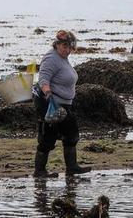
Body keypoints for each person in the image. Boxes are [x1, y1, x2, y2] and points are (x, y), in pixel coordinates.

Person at [33, 30, 91, 177]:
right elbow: (43, 79)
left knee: (71, 134)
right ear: (57, 44)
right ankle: (39, 171)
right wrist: (48, 94)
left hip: (65, 104)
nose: (67, 50)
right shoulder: (51, 58)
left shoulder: (62, 57)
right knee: (47, 138)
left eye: (70, 47)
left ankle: (72, 167)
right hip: (51, 104)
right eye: (64, 46)